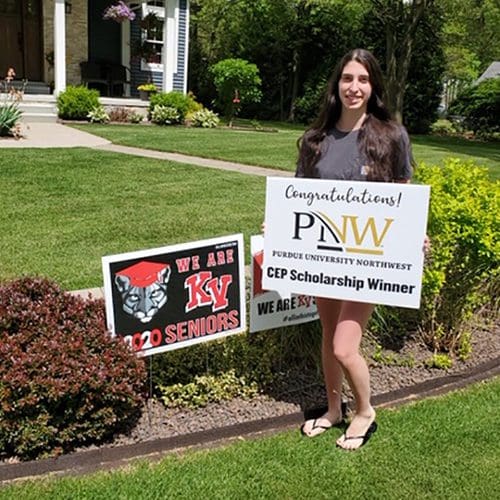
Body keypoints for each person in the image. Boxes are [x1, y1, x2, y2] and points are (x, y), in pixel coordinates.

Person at [296, 48, 420, 450]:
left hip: (370, 258)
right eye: (347, 78)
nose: (354, 87)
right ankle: (334, 410)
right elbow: (301, 197)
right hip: (325, 254)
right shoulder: (315, 140)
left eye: (363, 80)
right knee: (329, 333)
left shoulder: (391, 136)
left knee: (344, 345)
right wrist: (279, 227)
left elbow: (403, 195)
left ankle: (364, 410)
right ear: (337, 84)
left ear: (373, 86)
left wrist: (414, 232)